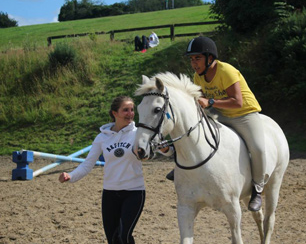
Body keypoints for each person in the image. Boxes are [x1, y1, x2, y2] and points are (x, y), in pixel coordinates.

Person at [59, 96, 173, 244]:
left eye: (132, 110)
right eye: (125, 110)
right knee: (112, 239)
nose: (130, 113)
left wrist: (164, 149)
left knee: (124, 235)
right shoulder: (102, 138)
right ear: (114, 113)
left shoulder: (139, 133)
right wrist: (70, 175)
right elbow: (87, 164)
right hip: (110, 194)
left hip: (134, 193)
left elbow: (167, 152)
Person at [184, 36, 266, 212]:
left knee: (258, 148)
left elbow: (237, 102)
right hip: (221, 114)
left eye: (197, 58)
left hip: (244, 114)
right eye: (191, 59)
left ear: (210, 58)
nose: (194, 63)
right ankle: (182, 169)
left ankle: (258, 188)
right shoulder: (197, 77)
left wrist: (211, 102)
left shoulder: (226, 71)